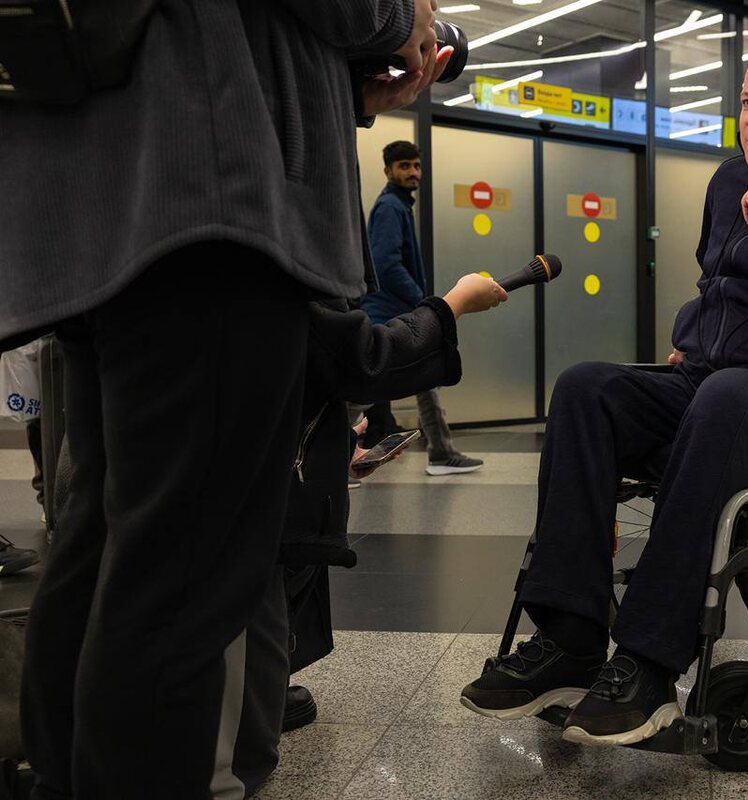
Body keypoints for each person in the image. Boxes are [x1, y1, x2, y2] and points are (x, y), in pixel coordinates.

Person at [0, 1, 450, 796]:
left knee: (105, 542)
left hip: (111, 190)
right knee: (186, 576)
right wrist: (398, 15)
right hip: (215, 192)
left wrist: (335, 88)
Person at [460, 43, 748, 746]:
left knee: (728, 396)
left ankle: (647, 663)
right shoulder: (729, 180)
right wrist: (694, 332)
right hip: (710, 384)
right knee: (585, 387)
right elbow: (718, 285)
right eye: (747, 101)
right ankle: (570, 641)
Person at [232, 274, 506, 794]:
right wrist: (452, 306)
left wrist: (334, 449)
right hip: (231, 523)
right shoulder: (279, 264)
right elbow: (365, 361)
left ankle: (258, 701)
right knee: (243, 716)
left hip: (201, 483)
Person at [361, 141, 484, 475]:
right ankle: (340, 458)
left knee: (420, 378)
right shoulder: (391, 206)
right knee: (363, 388)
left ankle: (441, 453)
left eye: (416, 165)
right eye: (404, 166)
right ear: (388, 171)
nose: (413, 172)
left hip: (393, 307)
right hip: (389, 308)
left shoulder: (399, 205)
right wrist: (421, 299)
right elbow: (386, 263)